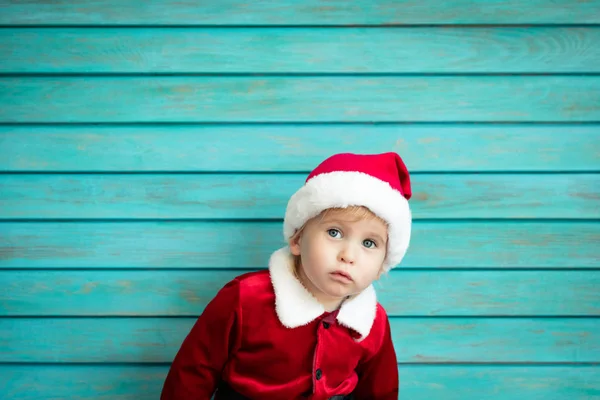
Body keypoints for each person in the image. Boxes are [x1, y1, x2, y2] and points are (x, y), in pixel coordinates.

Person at [161, 152, 413, 400]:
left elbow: (380, 392)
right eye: (334, 233)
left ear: (383, 265)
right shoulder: (245, 298)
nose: (349, 255)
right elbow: (192, 374)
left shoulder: (373, 321)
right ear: (297, 239)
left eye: (369, 243)